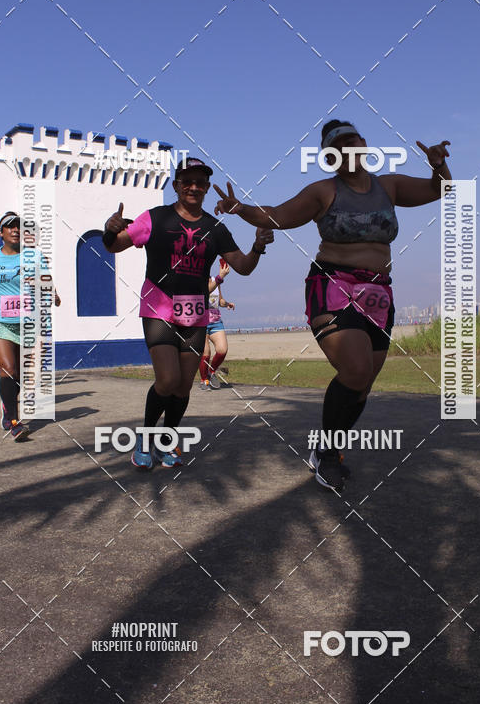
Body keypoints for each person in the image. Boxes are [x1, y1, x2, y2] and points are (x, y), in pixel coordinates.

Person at [214, 119, 451, 492]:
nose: (346, 149)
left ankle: (326, 447)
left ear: (364, 144)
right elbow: (275, 214)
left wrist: (438, 165)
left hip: (378, 292)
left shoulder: (389, 185)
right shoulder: (323, 192)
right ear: (330, 158)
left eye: (351, 141)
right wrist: (240, 208)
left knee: (361, 386)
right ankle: (327, 457)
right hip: (333, 285)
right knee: (354, 371)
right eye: (337, 147)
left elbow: (441, 190)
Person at [102, 157, 273, 471]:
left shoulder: (215, 228)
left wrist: (259, 246)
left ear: (207, 188)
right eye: (187, 181)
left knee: (183, 386)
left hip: (195, 313)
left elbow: (244, 268)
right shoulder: (155, 219)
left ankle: (166, 443)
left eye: (200, 182)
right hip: (158, 307)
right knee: (166, 379)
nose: (193, 187)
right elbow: (114, 246)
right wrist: (109, 231)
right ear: (176, 186)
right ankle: (145, 438)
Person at [0, 212, 61, 441]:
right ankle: (14, 420)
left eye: (19, 227)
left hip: (27, 323)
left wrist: (53, 294)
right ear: (1, 233)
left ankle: (6, 408)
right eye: (10, 227)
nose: (15, 230)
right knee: (8, 367)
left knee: (19, 374)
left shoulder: (34, 256)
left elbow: (46, 280)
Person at [199, 261, 235, 390]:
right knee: (206, 353)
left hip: (215, 321)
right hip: (200, 322)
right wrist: (221, 277)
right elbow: (206, 291)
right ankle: (204, 381)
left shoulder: (215, 280)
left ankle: (211, 372)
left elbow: (219, 300)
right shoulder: (197, 281)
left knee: (222, 350)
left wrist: (227, 304)